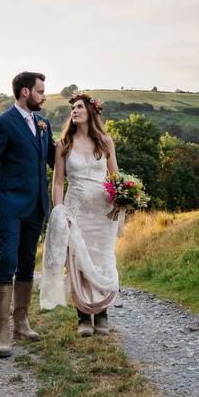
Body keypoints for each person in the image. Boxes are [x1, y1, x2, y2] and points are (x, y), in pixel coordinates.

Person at [0, 71, 55, 358]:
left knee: (25, 264)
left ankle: (21, 322)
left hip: (36, 207)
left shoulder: (44, 123)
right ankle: (1, 334)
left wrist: (89, 142)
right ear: (25, 92)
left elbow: (55, 158)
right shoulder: (3, 123)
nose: (44, 96)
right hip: (8, 206)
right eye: (40, 91)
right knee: (7, 260)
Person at [40, 93, 121, 337]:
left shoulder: (105, 142)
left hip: (103, 212)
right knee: (77, 261)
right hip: (75, 209)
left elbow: (115, 177)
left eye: (78, 107)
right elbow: (57, 182)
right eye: (72, 108)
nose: (74, 111)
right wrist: (59, 211)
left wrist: (123, 200)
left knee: (102, 259)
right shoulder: (64, 144)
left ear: (90, 111)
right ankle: (84, 316)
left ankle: (103, 313)